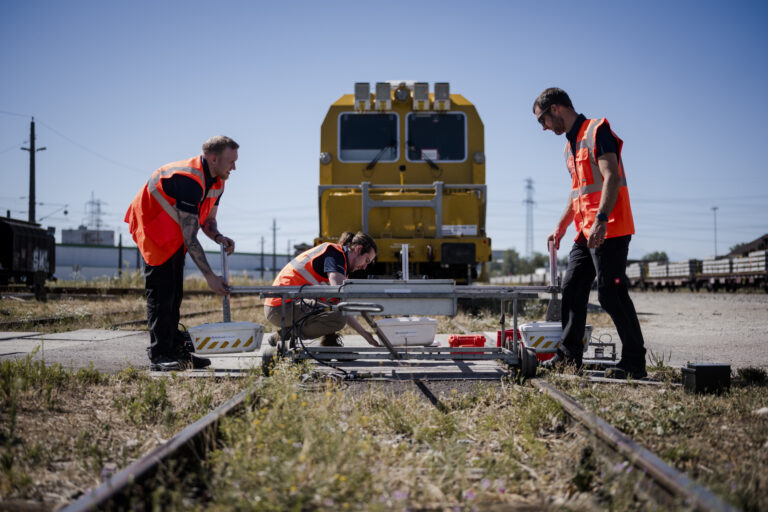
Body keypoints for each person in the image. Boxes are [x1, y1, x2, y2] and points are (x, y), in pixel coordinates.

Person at [533, 87, 647, 379]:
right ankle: (569, 357)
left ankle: (635, 362)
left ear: (556, 109)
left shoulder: (597, 130)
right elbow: (578, 194)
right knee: (572, 287)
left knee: (611, 294)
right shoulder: (569, 146)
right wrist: (561, 227)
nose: (543, 128)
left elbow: (612, 176)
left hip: (609, 226)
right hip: (586, 231)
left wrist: (602, 219)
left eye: (542, 120)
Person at [125, 135, 239, 371]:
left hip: (174, 233)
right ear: (213, 159)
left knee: (175, 293)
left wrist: (218, 237)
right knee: (162, 294)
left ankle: (175, 351)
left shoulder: (218, 180)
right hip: (154, 229)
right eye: (231, 161)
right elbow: (190, 236)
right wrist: (210, 277)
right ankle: (160, 355)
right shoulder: (189, 179)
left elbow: (208, 221)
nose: (234, 167)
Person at [264, 231, 380, 347]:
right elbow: (340, 296)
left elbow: (339, 302)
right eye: (367, 260)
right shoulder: (335, 254)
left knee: (334, 309)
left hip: (285, 305)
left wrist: (365, 334)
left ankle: (329, 343)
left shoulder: (340, 263)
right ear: (358, 249)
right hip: (280, 307)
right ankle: (287, 333)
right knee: (338, 316)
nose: (365, 267)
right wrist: (364, 332)